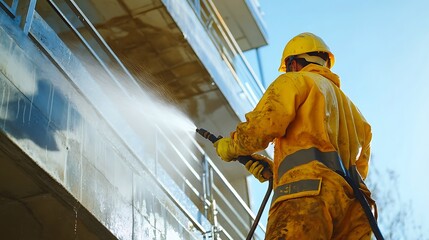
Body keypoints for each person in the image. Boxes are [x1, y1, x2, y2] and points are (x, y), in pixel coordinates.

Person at [214, 32, 378, 239]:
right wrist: (277, 171)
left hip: (305, 196)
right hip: (354, 215)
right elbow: (355, 169)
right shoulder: (359, 118)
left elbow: (264, 125)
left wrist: (231, 146)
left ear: (293, 63)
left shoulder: (295, 81)